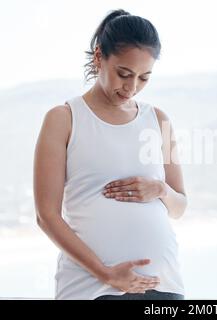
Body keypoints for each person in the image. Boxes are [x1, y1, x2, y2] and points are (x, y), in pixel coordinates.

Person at [33, 9, 187, 300]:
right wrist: (106, 274)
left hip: (164, 286)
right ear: (99, 57)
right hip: (91, 288)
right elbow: (46, 216)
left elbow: (179, 207)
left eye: (144, 78)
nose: (131, 87)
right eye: (124, 74)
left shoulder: (159, 119)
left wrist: (160, 189)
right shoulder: (64, 118)